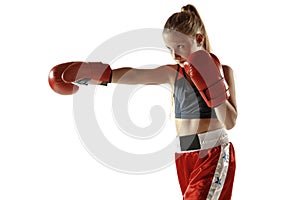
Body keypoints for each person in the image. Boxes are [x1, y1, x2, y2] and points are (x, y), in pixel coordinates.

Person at [48, 4, 237, 200]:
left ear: (198, 39)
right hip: (184, 155)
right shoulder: (174, 73)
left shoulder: (224, 71)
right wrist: (94, 74)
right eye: (169, 49)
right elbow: (137, 75)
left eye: (180, 46)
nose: (175, 55)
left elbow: (230, 122)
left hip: (211, 152)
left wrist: (212, 83)